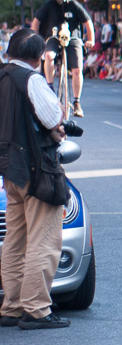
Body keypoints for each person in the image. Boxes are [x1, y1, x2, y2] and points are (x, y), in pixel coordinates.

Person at [0, 29, 70, 329]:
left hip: (10, 170)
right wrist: (55, 128)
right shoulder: (31, 79)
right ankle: (36, 308)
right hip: (36, 170)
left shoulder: (2, 77)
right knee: (43, 240)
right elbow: (53, 116)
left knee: (14, 241)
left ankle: (12, 306)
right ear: (38, 56)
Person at [30, 0, 96, 118]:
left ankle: (77, 102)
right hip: (53, 37)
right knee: (49, 56)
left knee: (77, 70)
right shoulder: (49, 5)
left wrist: (91, 40)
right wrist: (35, 38)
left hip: (72, 38)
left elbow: (88, 22)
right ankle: (50, 87)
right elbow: (36, 21)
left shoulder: (75, 5)